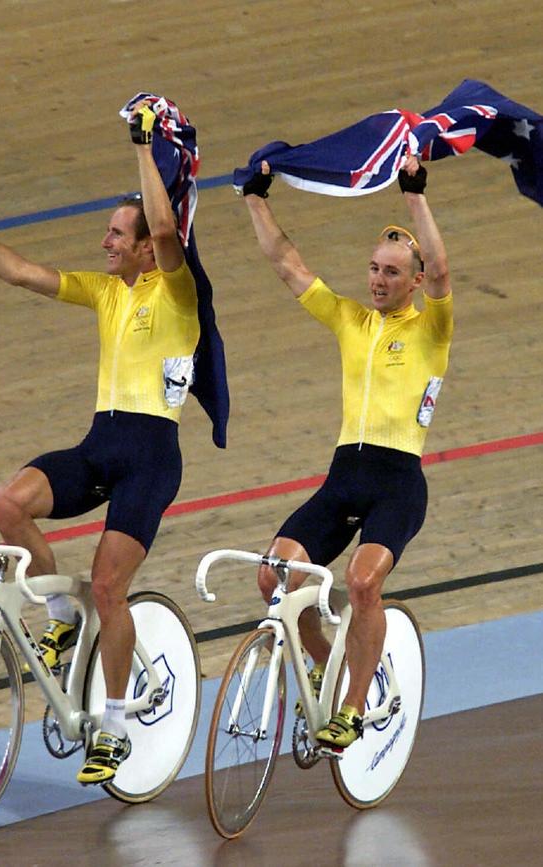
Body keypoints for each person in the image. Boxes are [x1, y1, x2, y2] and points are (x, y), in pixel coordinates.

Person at [0, 103, 201, 783]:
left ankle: (117, 727)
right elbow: (19, 272)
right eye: (107, 233)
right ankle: (62, 615)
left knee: (111, 586)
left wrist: (142, 146)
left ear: (149, 247)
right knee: (9, 502)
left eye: (117, 235)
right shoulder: (104, 293)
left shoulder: (177, 294)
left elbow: (160, 222)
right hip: (102, 443)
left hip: (150, 457)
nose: (107, 243)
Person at [241, 155, 452, 751]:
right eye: (373, 269)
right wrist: (255, 198)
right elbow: (287, 264)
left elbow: (439, 267)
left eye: (392, 272)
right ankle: (329, 662)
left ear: (411, 282)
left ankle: (355, 708)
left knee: (361, 583)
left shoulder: (431, 328)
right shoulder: (351, 321)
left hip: (397, 484)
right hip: (343, 479)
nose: (379, 280)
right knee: (271, 576)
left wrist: (414, 194)